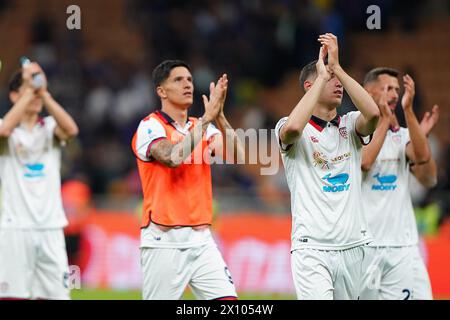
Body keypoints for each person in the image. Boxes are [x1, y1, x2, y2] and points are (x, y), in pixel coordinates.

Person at [274, 33, 380, 300]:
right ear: (310, 85)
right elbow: (294, 128)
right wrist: (324, 75)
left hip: (355, 246)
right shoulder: (288, 125)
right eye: (330, 78)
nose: (338, 84)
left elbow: (374, 114)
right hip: (312, 249)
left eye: (338, 79)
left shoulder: (350, 124)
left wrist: (338, 68)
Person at [131, 60, 243, 300]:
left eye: (190, 80)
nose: (187, 85)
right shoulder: (150, 126)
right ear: (161, 91)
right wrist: (206, 121)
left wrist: (220, 117)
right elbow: (172, 157)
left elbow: (238, 155)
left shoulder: (200, 127)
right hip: (164, 240)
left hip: (202, 240)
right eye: (178, 80)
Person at [0, 62, 79, 300]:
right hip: (15, 226)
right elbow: (4, 132)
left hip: (51, 226)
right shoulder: (7, 129)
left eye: (37, 87)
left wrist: (42, 93)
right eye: (27, 88)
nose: (34, 93)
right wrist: (29, 87)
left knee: (57, 295)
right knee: (13, 296)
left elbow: (72, 130)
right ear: (14, 96)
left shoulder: (50, 127)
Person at [360, 67, 439, 300]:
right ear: (368, 92)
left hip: (404, 246)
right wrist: (386, 121)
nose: (394, 94)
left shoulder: (401, 135)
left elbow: (429, 175)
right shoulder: (354, 132)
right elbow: (364, 162)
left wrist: (409, 113)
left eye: (397, 89)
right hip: (367, 246)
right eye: (387, 88)